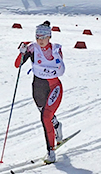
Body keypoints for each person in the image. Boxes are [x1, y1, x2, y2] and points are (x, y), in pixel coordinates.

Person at [15, 20, 65, 164]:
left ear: (49, 36)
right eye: (38, 37)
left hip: (54, 87)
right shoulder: (32, 48)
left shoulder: (56, 49)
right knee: (44, 113)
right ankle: (57, 125)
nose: (40, 40)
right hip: (38, 87)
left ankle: (51, 151)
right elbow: (17, 64)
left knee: (45, 118)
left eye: (43, 37)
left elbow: (60, 68)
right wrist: (22, 53)